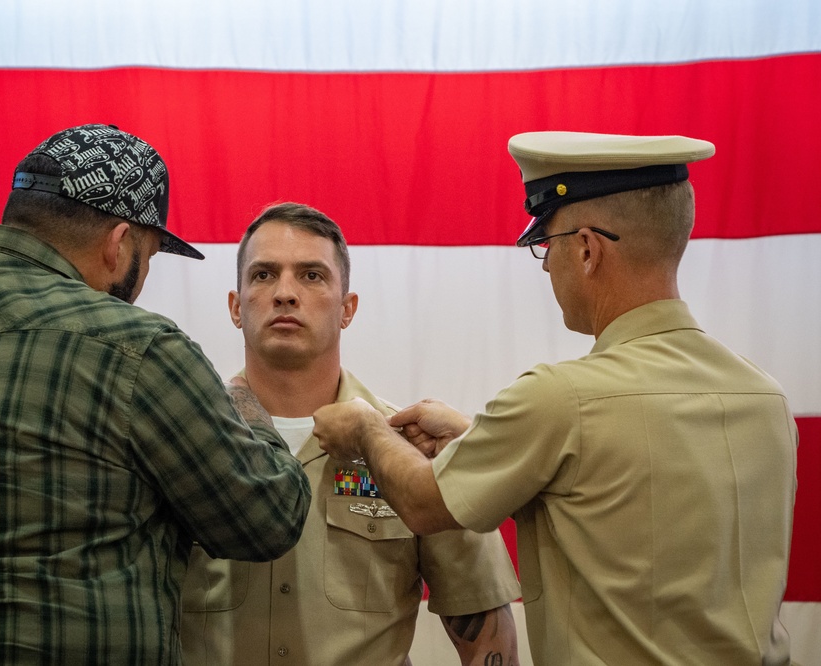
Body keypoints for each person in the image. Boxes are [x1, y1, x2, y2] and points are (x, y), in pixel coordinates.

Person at [0, 124, 311, 665]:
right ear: (119, 242)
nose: (142, 277)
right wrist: (244, 402)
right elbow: (267, 518)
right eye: (147, 258)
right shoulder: (136, 349)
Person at [312, 132, 798, 665]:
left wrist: (365, 426)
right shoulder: (764, 398)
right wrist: (479, 439)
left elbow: (425, 503)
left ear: (587, 249)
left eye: (547, 244)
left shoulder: (561, 399)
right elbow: (622, 493)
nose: (545, 266)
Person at [180, 202, 521, 666]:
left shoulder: (415, 449)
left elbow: (485, 634)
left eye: (311, 275)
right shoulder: (180, 443)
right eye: (263, 275)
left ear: (348, 309)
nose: (285, 293)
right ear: (236, 308)